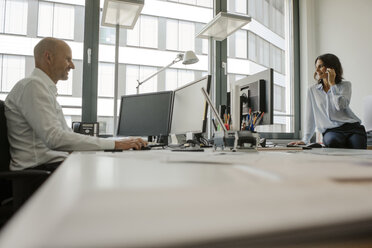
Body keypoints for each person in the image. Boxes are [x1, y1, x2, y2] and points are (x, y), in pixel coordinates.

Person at [5, 37, 147, 171]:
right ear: (49, 57)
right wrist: (116, 144)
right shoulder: (33, 86)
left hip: (51, 167)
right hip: (39, 173)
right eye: (68, 59)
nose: (72, 66)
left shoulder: (40, 88)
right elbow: (55, 139)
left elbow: (66, 136)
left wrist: (113, 143)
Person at [289, 53, 367, 149]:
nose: (317, 70)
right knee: (333, 141)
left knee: (359, 149)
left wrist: (332, 84)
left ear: (331, 68)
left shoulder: (345, 85)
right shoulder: (312, 90)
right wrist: (305, 139)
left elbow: (341, 106)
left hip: (352, 128)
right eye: (316, 67)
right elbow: (310, 116)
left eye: (320, 66)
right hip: (331, 131)